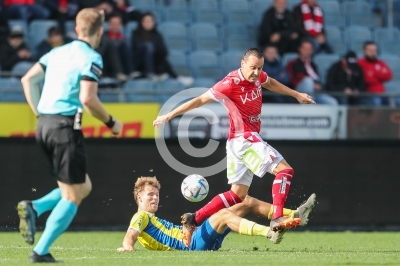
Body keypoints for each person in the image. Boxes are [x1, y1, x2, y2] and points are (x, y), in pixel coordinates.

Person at [153, 47, 315, 247]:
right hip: (245, 139)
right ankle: (278, 217)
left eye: (260, 68)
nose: (256, 73)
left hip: (235, 143)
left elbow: (270, 82)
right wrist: (169, 115)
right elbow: (200, 100)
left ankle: (192, 218)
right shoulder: (229, 84)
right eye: (253, 68)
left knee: (237, 195)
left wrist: (296, 94)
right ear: (242, 64)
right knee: (285, 171)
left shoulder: (258, 77)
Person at [17, 8, 122, 263]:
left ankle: (35, 207)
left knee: (82, 186)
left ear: (76, 29)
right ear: (99, 31)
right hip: (65, 128)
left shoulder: (56, 52)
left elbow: (27, 80)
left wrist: (41, 113)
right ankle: (40, 252)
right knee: (72, 195)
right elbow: (88, 98)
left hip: (44, 124)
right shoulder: (92, 57)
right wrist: (111, 122)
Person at [116, 177, 316, 252]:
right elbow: (129, 238)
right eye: (150, 194)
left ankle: (294, 215)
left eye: (157, 194)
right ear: (139, 196)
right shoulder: (140, 217)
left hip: (194, 238)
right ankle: (270, 232)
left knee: (245, 201)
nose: (155, 198)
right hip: (191, 246)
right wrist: (127, 248)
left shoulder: (152, 220)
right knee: (223, 215)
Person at [131, 12, 193, 86]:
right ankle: (154, 74)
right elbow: (136, 50)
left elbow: (164, 51)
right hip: (140, 64)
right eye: (145, 21)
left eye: (150, 21)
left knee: (162, 56)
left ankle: (175, 77)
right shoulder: (135, 34)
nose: (148, 23)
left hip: (154, 63)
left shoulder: (157, 35)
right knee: (148, 47)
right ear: (141, 22)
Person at [286, 40, 338, 105]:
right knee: (308, 81)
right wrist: (311, 84)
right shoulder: (293, 63)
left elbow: (316, 77)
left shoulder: (313, 64)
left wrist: (318, 85)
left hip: (315, 92)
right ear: (300, 49)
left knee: (332, 102)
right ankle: (310, 108)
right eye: (305, 49)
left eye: (309, 49)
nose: (307, 51)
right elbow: (291, 80)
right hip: (299, 90)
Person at [357, 41, 392, 107]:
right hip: (368, 94)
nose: (373, 53)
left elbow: (388, 76)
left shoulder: (381, 63)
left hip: (382, 94)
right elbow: (367, 79)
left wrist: (373, 73)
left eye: (374, 50)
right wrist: (380, 74)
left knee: (397, 101)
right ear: (364, 51)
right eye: (370, 50)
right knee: (377, 102)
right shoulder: (360, 63)